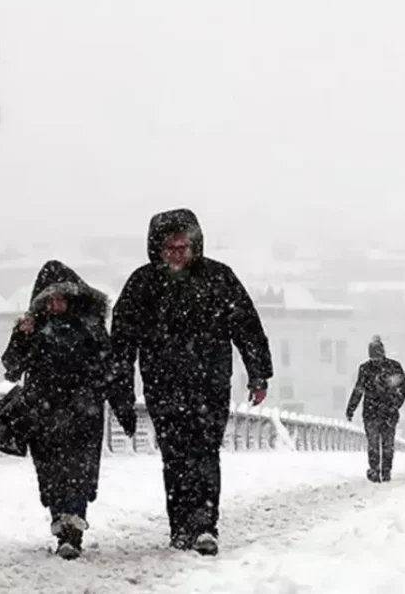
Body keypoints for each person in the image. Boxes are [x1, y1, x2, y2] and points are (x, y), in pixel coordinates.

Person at [111, 208, 273, 556]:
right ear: (157, 248)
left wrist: (258, 373)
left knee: (204, 452)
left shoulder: (218, 278)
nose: (177, 254)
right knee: (175, 455)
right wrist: (120, 388)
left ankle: (204, 525)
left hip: (209, 384)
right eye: (170, 248)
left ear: (195, 246)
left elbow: (246, 327)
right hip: (162, 385)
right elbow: (121, 341)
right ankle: (180, 526)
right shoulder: (142, 284)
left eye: (183, 247)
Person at [1, 260, 137, 560]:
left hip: (82, 413)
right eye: (49, 299)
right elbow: (12, 368)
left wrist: (123, 407)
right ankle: (61, 521)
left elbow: (110, 370)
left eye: (61, 297)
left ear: (74, 297)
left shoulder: (90, 328)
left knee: (78, 471)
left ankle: (71, 530)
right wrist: (21, 336)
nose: (56, 303)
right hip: (44, 413)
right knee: (51, 473)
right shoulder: (33, 328)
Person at [346, 335, 405, 483]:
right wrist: (395, 403)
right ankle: (380, 470)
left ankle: (380, 470)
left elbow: (359, 390)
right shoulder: (393, 367)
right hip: (385, 412)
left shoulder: (366, 369)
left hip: (374, 411)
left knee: (378, 443)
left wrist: (351, 408)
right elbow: (404, 387)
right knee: (384, 443)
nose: (376, 359)